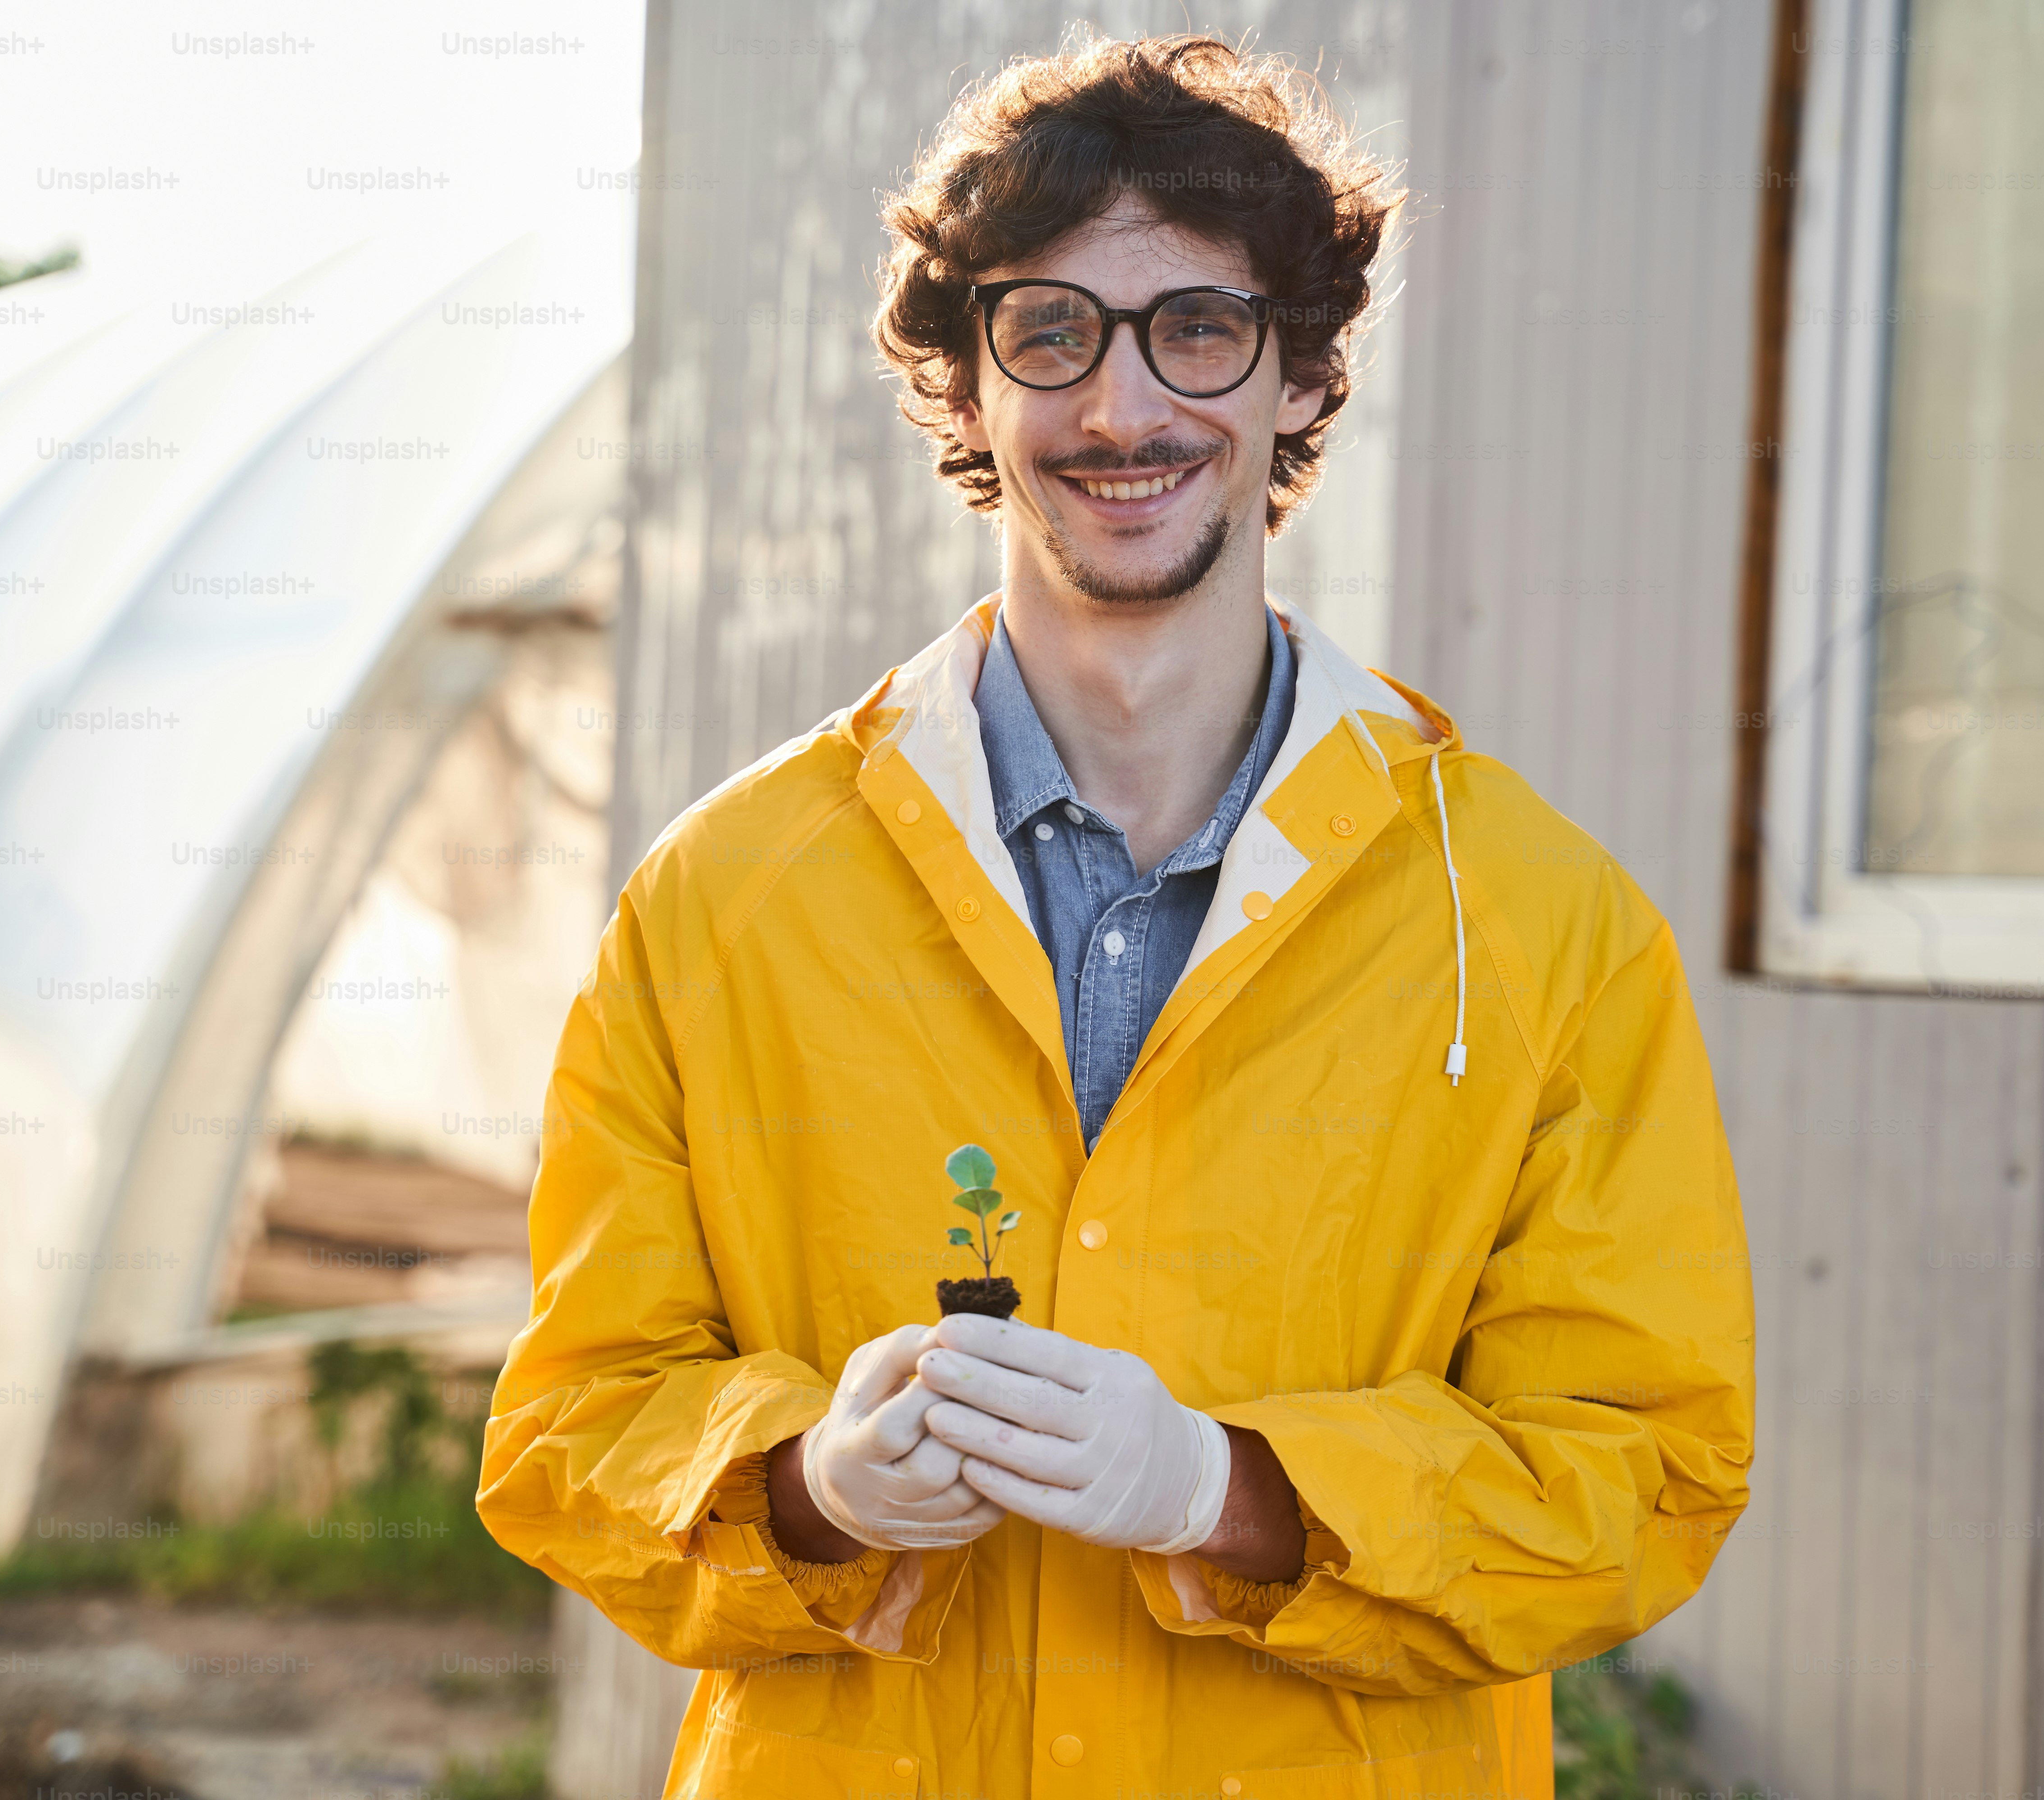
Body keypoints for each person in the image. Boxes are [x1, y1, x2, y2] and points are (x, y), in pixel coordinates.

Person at [479, 32, 1754, 1798]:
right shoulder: (722, 904)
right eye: (1050, 328)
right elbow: (568, 1430)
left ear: (1301, 382)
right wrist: (804, 1483)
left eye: (1202, 329)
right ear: (971, 384)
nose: (1124, 405)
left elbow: (1644, 1467)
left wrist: (1230, 1492)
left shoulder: (1537, 922)